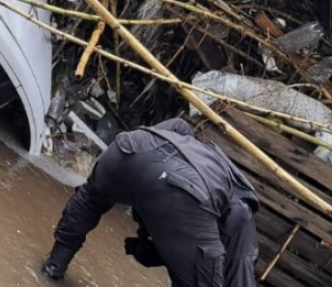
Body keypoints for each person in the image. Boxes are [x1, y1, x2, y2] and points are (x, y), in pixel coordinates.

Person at [41, 117, 260, 287]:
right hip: (184, 189)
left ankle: (52, 268)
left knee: (89, 201)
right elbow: (228, 257)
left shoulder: (190, 143)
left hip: (129, 148)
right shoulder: (243, 219)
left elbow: (178, 124)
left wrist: (150, 239)